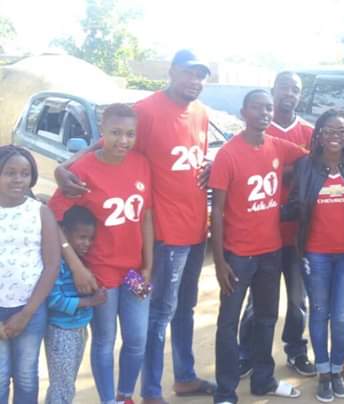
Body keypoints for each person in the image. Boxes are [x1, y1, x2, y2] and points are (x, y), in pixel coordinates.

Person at [55, 49, 216, 403]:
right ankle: (151, 391)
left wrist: (209, 168)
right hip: (163, 236)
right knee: (155, 318)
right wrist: (63, 167)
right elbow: (109, 141)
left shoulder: (202, 114)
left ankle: (183, 376)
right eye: (189, 73)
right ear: (172, 71)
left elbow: (195, 160)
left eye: (201, 75)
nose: (195, 81)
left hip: (192, 232)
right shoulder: (145, 110)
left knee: (180, 311)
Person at [49, 103, 154, 404]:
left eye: (130, 134)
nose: (123, 140)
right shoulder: (82, 170)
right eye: (116, 133)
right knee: (105, 341)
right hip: (101, 273)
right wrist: (77, 267)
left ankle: (125, 396)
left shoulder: (141, 164)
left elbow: (145, 216)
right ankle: (108, 400)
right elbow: (53, 217)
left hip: (133, 272)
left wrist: (148, 266)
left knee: (137, 339)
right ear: (102, 133)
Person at [209, 89, 307, 403]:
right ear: (243, 113)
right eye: (257, 108)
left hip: (271, 251)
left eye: (268, 108)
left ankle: (263, 380)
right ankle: (225, 390)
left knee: (266, 316)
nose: (265, 113)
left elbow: (312, 155)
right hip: (238, 255)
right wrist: (221, 261)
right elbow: (217, 211)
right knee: (228, 322)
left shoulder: (277, 146)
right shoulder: (228, 154)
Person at [284, 109, 344, 402]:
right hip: (316, 255)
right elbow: (293, 203)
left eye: (341, 132)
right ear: (318, 134)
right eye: (328, 130)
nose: (334, 137)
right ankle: (323, 372)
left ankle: (337, 369)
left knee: (341, 317)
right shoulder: (304, 166)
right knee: (319, 312)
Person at [237, 71, 316, 378]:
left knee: (298, 301)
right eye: (284, 87)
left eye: (295, 89)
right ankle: (247, 352)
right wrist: (287, 172)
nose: (289, 93)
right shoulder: (257, 129)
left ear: (300, 95)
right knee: (256, 302)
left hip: (296, 234)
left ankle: (295, 351)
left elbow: (317, 166)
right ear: (273, 89)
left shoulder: (308, 131)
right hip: (261, 234)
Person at [0, 145, 61, 404]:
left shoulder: (40, 212)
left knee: (26, 375)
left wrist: (26, 314)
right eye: (10, 172)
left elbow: (51, 264)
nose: (18, 179)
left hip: (30, 309)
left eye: (25, 173)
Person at [45, 206, 107, 404]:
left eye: (90, 239)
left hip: (78, 329)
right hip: (61, 331)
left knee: (66, 383)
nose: (86, 243)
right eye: (81, 237)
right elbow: (54, 300)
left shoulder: (82, 261)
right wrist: (90, 301)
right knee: (62, 386)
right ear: (64, 232)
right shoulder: (57, 263)